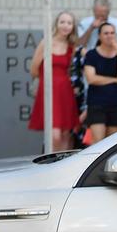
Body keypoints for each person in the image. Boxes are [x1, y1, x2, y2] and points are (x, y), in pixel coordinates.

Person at [28, 11, 82, 152]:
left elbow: (70, 70)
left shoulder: (72, 47)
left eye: (69, 23)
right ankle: (53, 165)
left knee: (65, 134)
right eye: (62, 22)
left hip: (65, 90)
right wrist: (48, 81)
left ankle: (62, 165)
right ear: (56, 24)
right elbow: (33, 69)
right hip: (49, 90)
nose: (65, 26)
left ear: (73, 27)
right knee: (55, 135)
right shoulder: (46, 43)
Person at [83, 22, 117, 144]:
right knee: (98, 142)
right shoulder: (92, 55)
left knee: (112, 144)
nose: (110, 36)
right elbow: (92, 79)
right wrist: (114, 80)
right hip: (97, 104)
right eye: (106, 33)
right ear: (99, 36)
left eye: (112, 33)